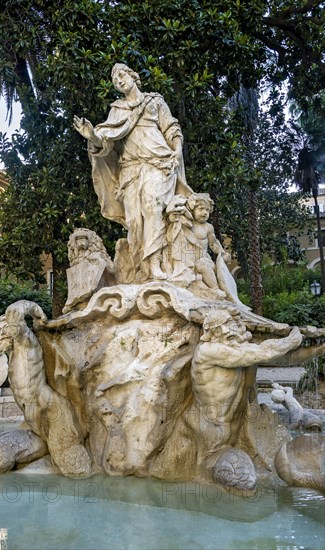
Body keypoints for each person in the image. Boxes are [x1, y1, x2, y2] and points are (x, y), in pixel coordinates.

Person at [74, 63, 193, 280]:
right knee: (135, 222)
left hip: (158, 162)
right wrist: (91, 136)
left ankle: (156, 264)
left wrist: (176, 149)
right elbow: (106, 142)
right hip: (130, 170)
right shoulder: (117, 110)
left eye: (121, 75)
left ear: (132, 76)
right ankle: (142, 270)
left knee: (153, 206)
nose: (119, 81)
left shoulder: (154, 101)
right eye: (114, 80)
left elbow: (171, 127)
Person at [190, 309, 303, 490]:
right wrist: (290, 341)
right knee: (243, 480)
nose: (227, 331)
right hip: (214, 435)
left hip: (234, 428)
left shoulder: (231, 347)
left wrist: (316, 347)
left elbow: (265, 350)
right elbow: (258, 354)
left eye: (229, 325)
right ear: (210, 333)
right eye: (220, 329)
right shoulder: (208, 351)